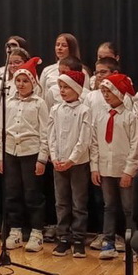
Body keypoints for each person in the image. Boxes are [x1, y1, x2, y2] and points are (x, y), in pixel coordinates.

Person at [0, 57, 49, 253]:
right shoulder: (8, 102)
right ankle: (15, 230)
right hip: (11, 152)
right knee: (12, 193)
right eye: (18, 80)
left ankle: (36, 233)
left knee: (32, 194)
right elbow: (1, 129)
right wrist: (0, 156)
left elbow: (45, 132)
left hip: (31, 152)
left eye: (25, 81)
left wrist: (42, 158)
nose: (21, 84)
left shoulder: (39, 104)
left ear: (33, 82)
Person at [90, 73, 138, 261]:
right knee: (109, 206)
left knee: (129, 208)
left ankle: (132, 246)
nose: (105, 95)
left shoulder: (130, 117)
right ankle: (108, 243)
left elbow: (136, 145)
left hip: (123, 169)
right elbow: (94, 143)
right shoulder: (100, 115)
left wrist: (129, 171)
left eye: (109, 91)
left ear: (119, 92)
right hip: (105, 169)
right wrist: (94, 168)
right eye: (103, 91)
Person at [48, 70, 92, 258]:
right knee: (61, 202)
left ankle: (79, 239)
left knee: (78, 203)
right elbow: (51, 135)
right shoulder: (55, 109)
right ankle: (63, 237)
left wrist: (71, 160)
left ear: (77, 89)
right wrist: (54, 157)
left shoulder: (84, 110)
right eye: (61, 87)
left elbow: (84, 139)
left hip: (78, 163)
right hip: (59, 163)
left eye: (67, 87)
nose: (63, 91)